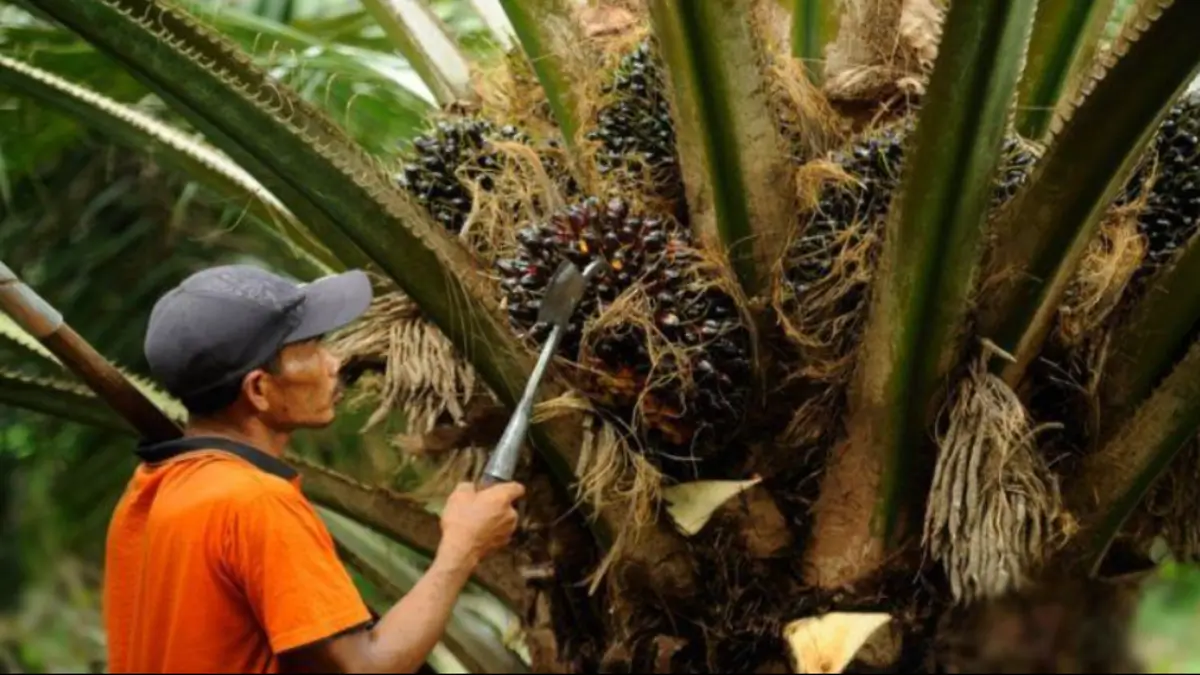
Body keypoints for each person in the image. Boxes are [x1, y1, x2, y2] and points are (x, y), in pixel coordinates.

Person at [103, 264, 525, 674]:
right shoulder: (255, 502)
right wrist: (462, 549)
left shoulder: (148, 492)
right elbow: (363, 667)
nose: (334, 362)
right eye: (310, 347)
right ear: (259, 390)